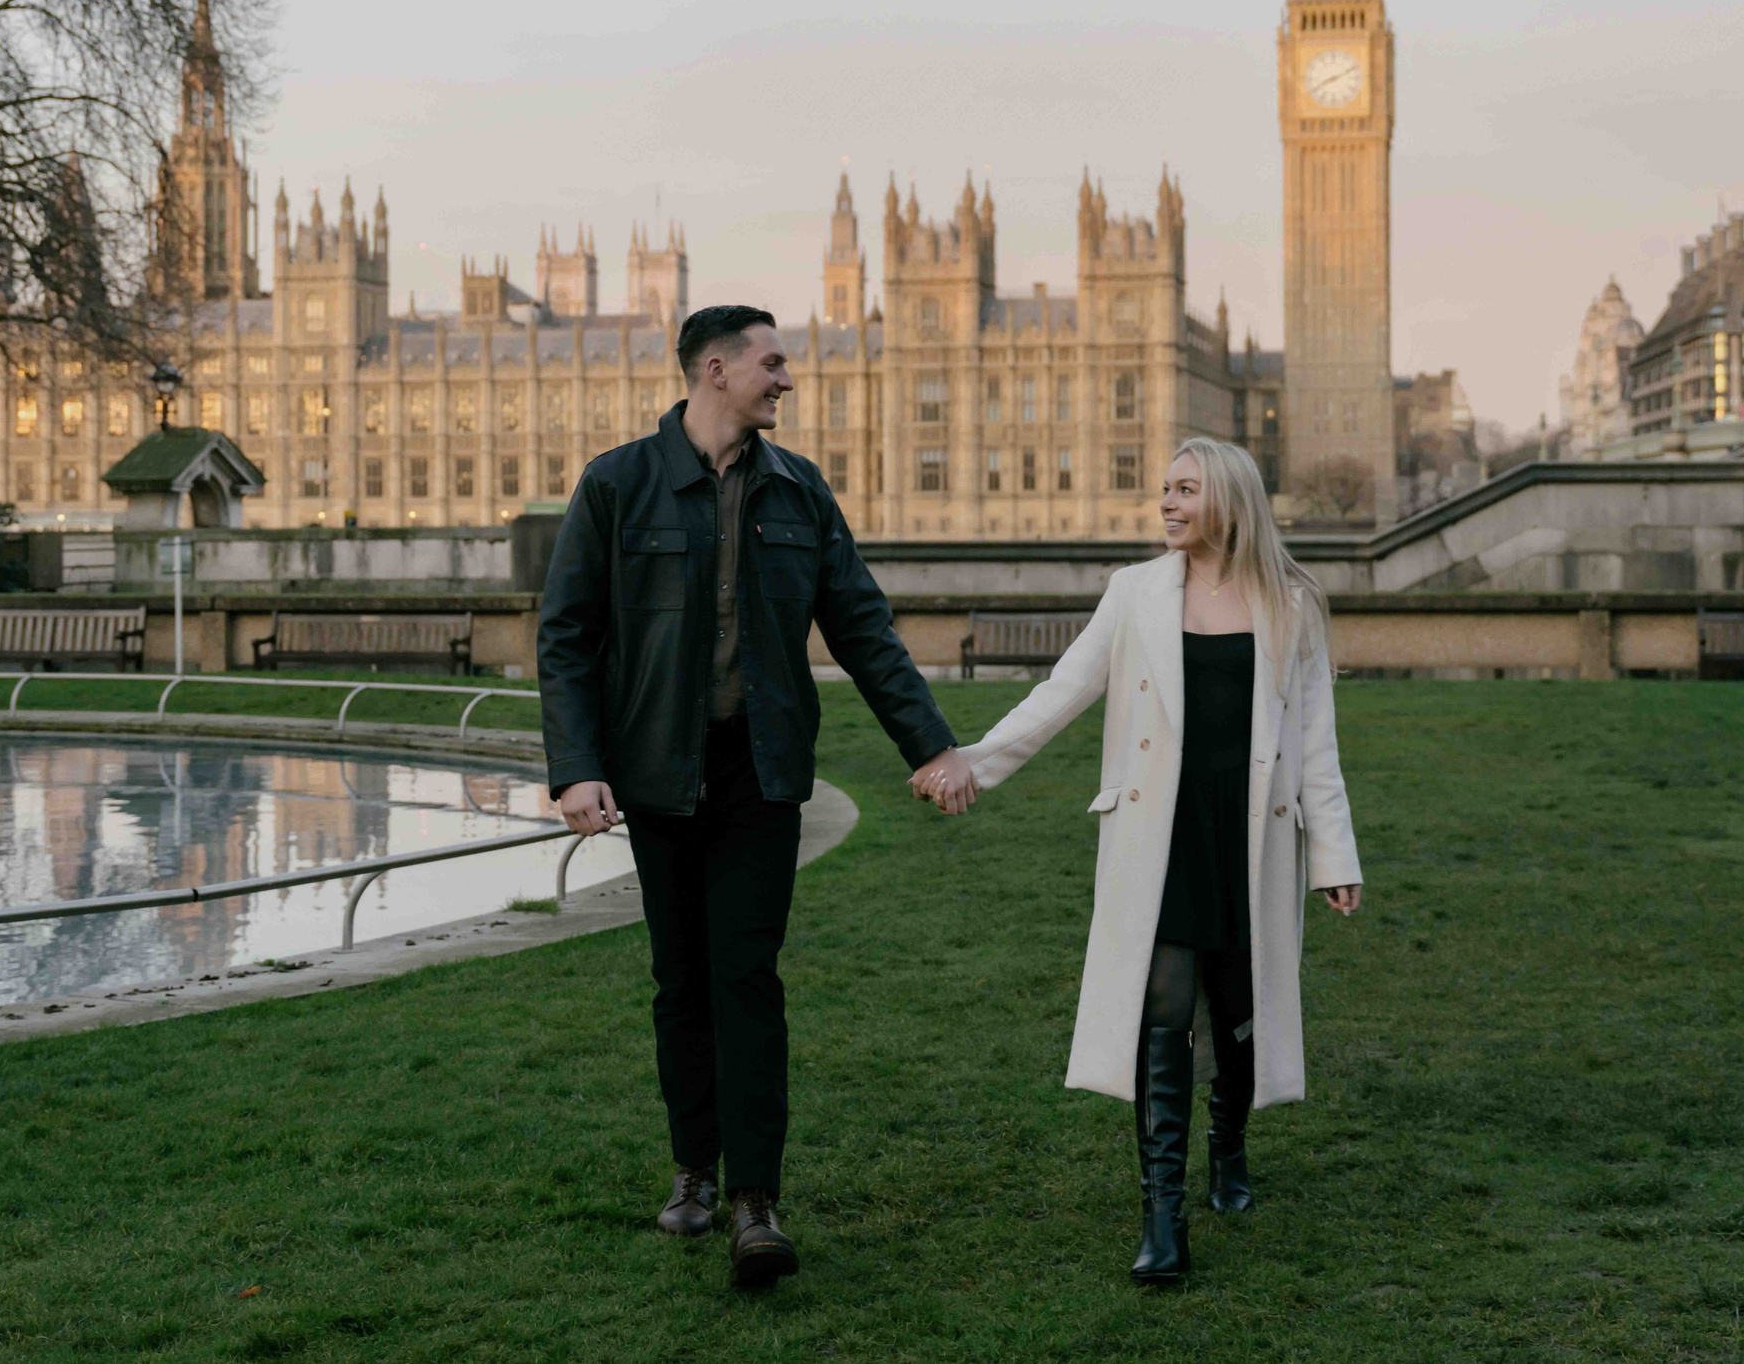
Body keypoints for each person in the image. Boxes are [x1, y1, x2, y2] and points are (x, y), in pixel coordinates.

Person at [537, 303, 976, 1289]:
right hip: (655, 771)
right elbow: (567, 638)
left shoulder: (799, 493)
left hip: (761, 772)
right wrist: (575, 765)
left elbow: (862, 628)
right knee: (679, 981)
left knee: (747, 978)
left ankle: (753, 1200)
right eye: (772, 363)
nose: (786, 379)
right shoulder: (617, 485)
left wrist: (931, 744)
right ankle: (692, 1172)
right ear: (714, 369)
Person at [912, 436, 1363, 1285]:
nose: (1166, 503)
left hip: (1252, 834)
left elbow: (1315, 741)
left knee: (1238, 1010)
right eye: (1164, 488)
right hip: (1160, 833)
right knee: (1163, 1011)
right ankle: (1162, 1212)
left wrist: (1332, 853)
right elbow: (1062, 691)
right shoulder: (1134, 594)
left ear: (1228, 499)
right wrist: (971, 758)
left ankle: (1227, 1148)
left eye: (1185, 490)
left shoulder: (1292, 603)